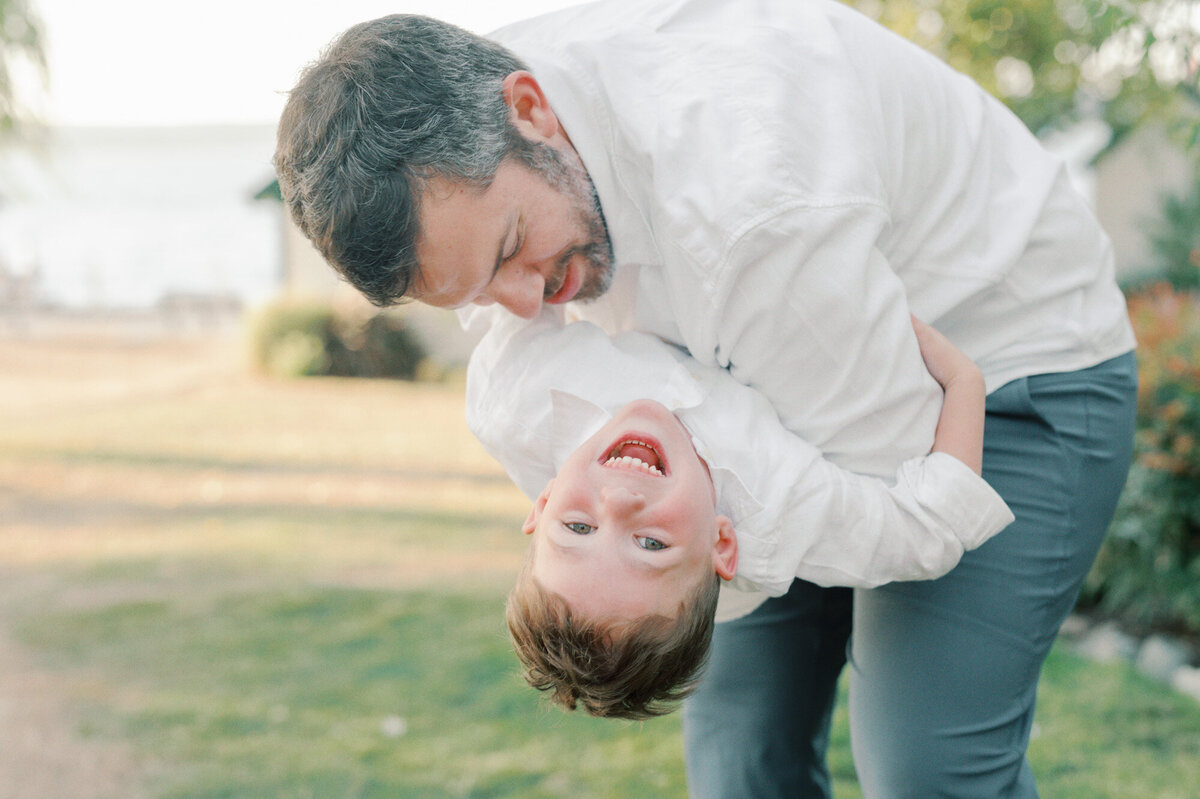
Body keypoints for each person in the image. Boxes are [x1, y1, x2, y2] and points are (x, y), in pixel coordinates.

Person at [273, 1, 1139, 795]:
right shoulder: (484, 115)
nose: (529, 308)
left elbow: (897, 514)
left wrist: (719, 537)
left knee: (924, 763)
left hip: (1000, 378)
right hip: (753, 392)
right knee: (736, 750)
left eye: (511, 251)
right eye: (474, 292)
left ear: (531, 109)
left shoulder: (754, 209)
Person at [507, 314, 1009, 720]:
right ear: (722, 543)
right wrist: (964, 380)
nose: (617, 502)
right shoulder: (780, 505)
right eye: (650, 544)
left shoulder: (516, 400)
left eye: (577, 528)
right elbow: (929, 534)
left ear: (544, 503)